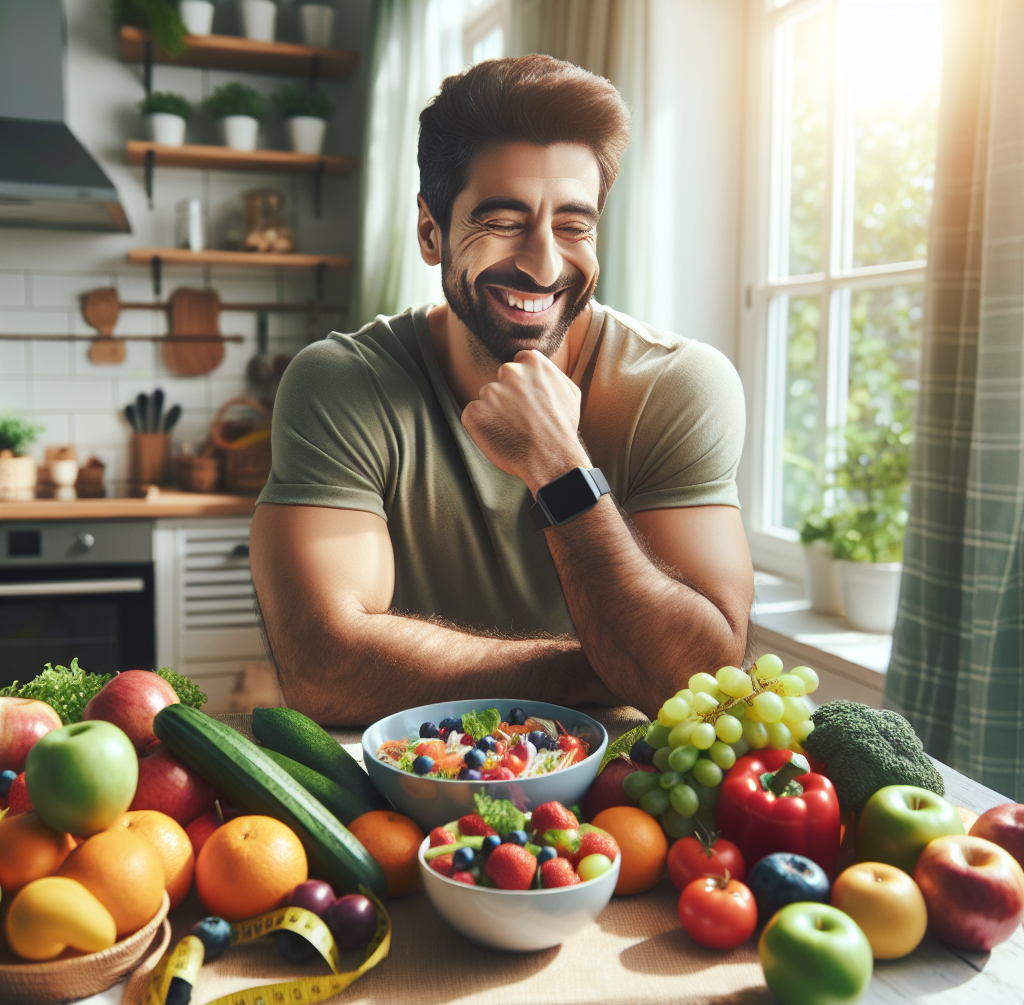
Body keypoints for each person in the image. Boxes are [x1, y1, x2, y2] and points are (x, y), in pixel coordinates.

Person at [250, 55, 754, 726]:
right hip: (407, 794)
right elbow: (325, 670)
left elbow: (701, 675)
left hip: (624, 808)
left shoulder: (678, 386)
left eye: (574, 225)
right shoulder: (344, 384)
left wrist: (559, 466)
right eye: (503, 222)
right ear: (432, 232)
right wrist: (613, 665)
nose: (545, 264)